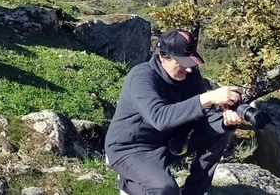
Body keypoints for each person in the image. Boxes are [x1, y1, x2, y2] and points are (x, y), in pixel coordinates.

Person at [104, 29, 245, 195]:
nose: (190, 69)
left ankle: (195, 191)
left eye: (191, 62)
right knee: (166, 189)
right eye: (183, 62)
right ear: (162, 56)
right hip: (132, 148)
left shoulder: (189, 75)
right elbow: (160, 118)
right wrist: (208, 97)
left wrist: (224, 122)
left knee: (219, 131)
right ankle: (129, 179)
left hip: (170, 142)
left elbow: (204, 113)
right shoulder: (141, 77)